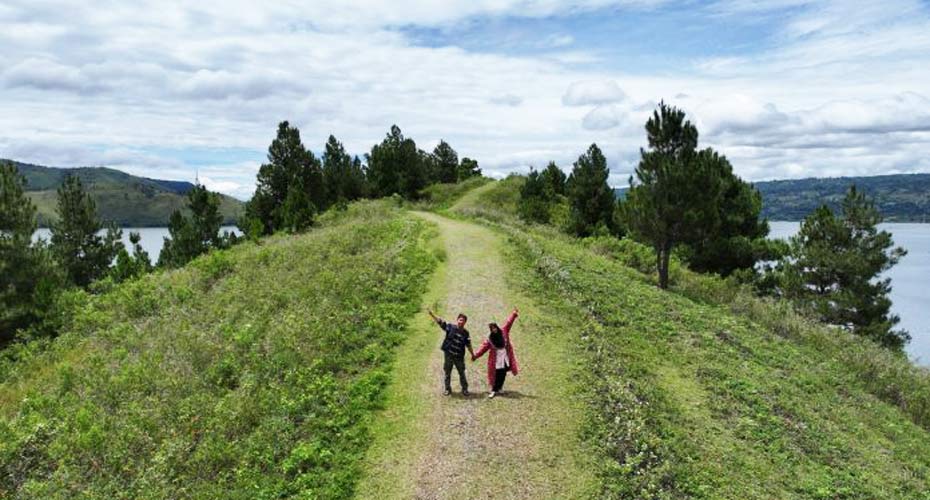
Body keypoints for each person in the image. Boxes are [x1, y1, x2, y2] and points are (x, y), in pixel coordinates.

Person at [472, 307, 519, 399]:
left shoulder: (504, 331)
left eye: (494, 327)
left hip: (505, 357)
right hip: (496, 360)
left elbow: (509, 323)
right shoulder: (490, 339)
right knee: (496, 374)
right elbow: (483, 349)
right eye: (492, 329)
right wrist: (475, 356)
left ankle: (500, 387)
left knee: (503, 373)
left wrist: (514, 314)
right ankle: (493, 390)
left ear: (497, 327)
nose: (494, 330)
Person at [428, 309, 475, 396]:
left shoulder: (466, 333)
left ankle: (465, 389)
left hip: (459, 357)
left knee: (462, 373)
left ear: (465, 322)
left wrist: (473, 354)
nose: (461, 322)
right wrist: (432, 315)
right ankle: (447, 389)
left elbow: (468, 345)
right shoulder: (450, 327)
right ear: (457, 320)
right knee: (447, 372)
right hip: (448, 355)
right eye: (460, 320)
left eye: (463, 321)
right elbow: (441, 322)